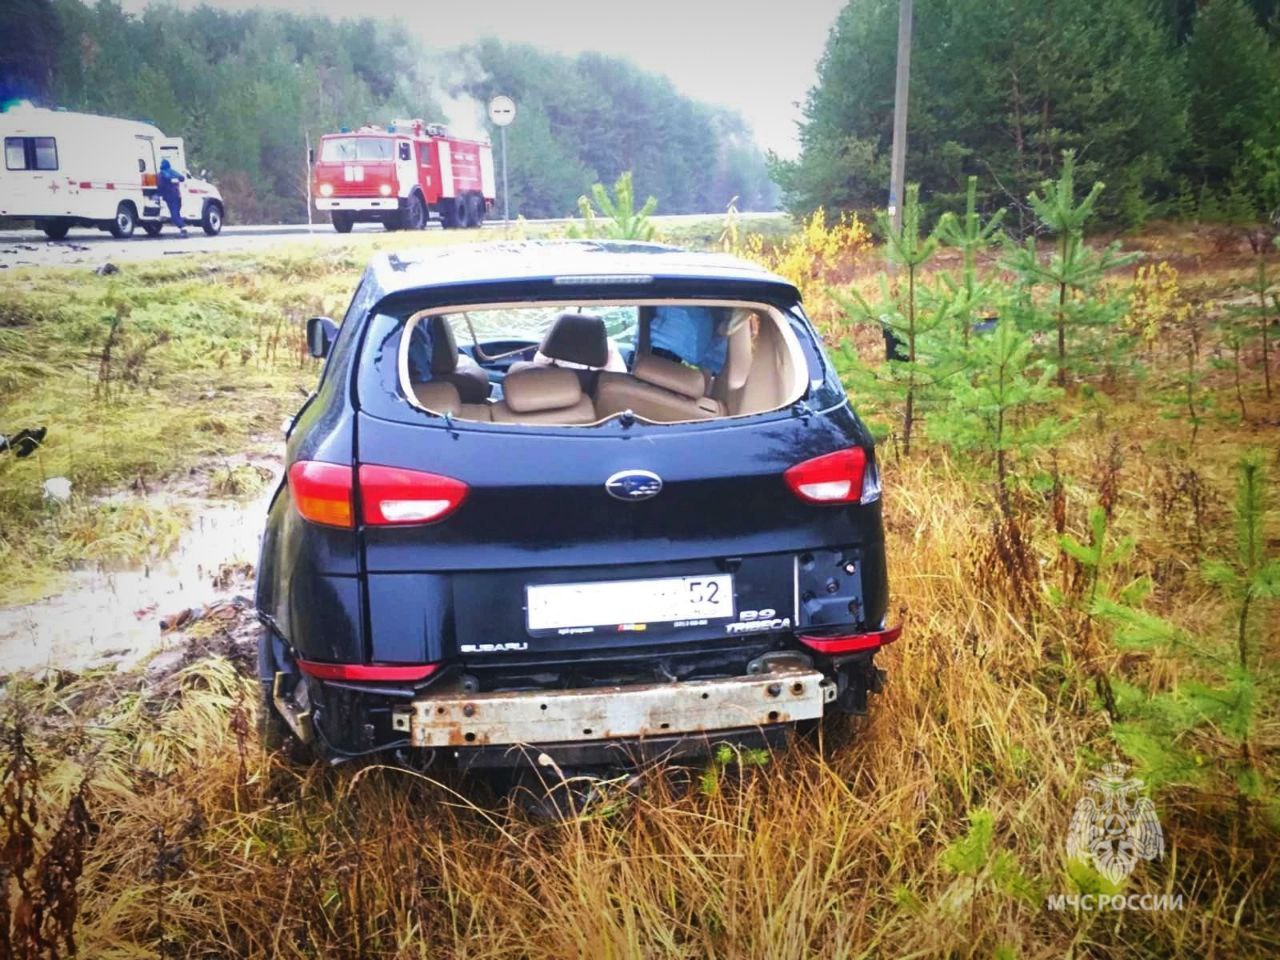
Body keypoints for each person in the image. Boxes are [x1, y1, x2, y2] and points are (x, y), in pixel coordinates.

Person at [157, 158, 187, 236]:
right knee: (176, 214)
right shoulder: (172, 171)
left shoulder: (161, 174)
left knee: (174, 216)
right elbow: (182, 178)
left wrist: (158, 194)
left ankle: (183, 229)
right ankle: (182, 228)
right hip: (177, 196)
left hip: (170, 197)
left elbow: (160, 185)